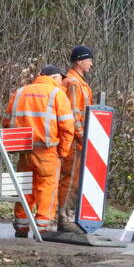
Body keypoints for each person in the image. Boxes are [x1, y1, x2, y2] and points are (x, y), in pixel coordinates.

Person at [2, 64, 75, 237]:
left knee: (26, 186)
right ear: (56, 78)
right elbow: (67, 127)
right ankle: (42, 228)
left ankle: (21, 225)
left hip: (24, 150)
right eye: (60, 79)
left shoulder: (20, 92)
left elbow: (6, 121)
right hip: (47, 151)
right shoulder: (57, 94)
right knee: (47, 188)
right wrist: (63, 152)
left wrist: (13, 145)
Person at [57, 45, 95, 232]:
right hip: (73, 141)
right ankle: (64, 218)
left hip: (75, 139)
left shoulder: (77, 82)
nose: (91, 63)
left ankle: (66, 216)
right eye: (88, 60)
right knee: (70, 179)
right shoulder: (73, 83)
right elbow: (73, 114)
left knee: (71, 179)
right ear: (79, 61)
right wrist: (83, 138)